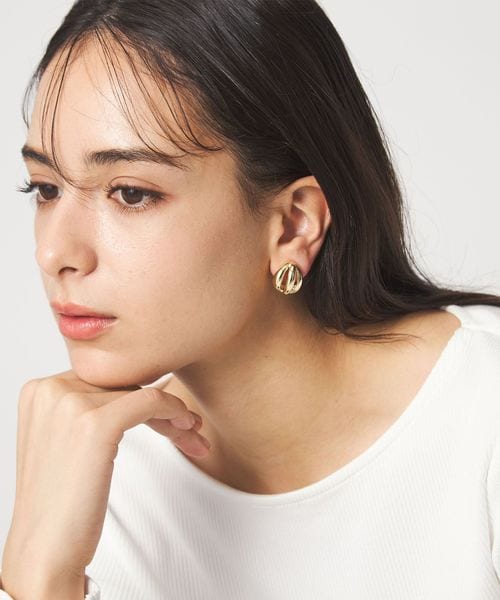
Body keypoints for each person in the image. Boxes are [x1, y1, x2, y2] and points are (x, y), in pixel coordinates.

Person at [1, 1, 500, 598]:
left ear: (292, 226)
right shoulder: (87, 476)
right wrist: (39, 577)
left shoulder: (483, 414)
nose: (54, 252)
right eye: (45, 188)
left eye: (130, 193)